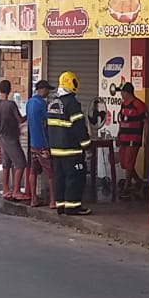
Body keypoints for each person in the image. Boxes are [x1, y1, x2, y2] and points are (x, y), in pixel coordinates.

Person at [47, 71, 93, 215]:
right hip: (71, 151)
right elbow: (79, 127)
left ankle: (60, 205)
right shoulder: (72, 104)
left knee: (59, 179)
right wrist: (87, 145)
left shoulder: (53, 102)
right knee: (75, 178)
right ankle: (73, 207)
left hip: (55, 151)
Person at [0, 80, 27, 201]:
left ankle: (6, 190)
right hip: (11, 136)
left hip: (1, 136)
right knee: (21, 163)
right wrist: (28, 116)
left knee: (6, 164)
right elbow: (20, 120)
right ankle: (16, 190)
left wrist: (0, 119)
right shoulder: (11, 105)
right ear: (10, 90)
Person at [25, 79, 56, 208]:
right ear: (42, 89)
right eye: (47, 90)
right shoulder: (42, 104)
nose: (48, 93)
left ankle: (33, 199)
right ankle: (53, 201)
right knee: (50, 173)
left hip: (33, 143)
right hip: (43, 144)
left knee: (33, 171)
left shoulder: (29, 102)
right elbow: (47, 121)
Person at [116, 83, 149, 199]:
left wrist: (146, 138)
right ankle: (139, 182)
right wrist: (118, 135)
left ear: (127, 92)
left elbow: (146, 122)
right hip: (124, 137)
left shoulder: (139, 105)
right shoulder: (124, 104)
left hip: (133, 138)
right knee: (124, 162)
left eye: (122, 92)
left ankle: (127, 187)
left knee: (129, 162)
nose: (121, 94)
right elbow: (121, 121)